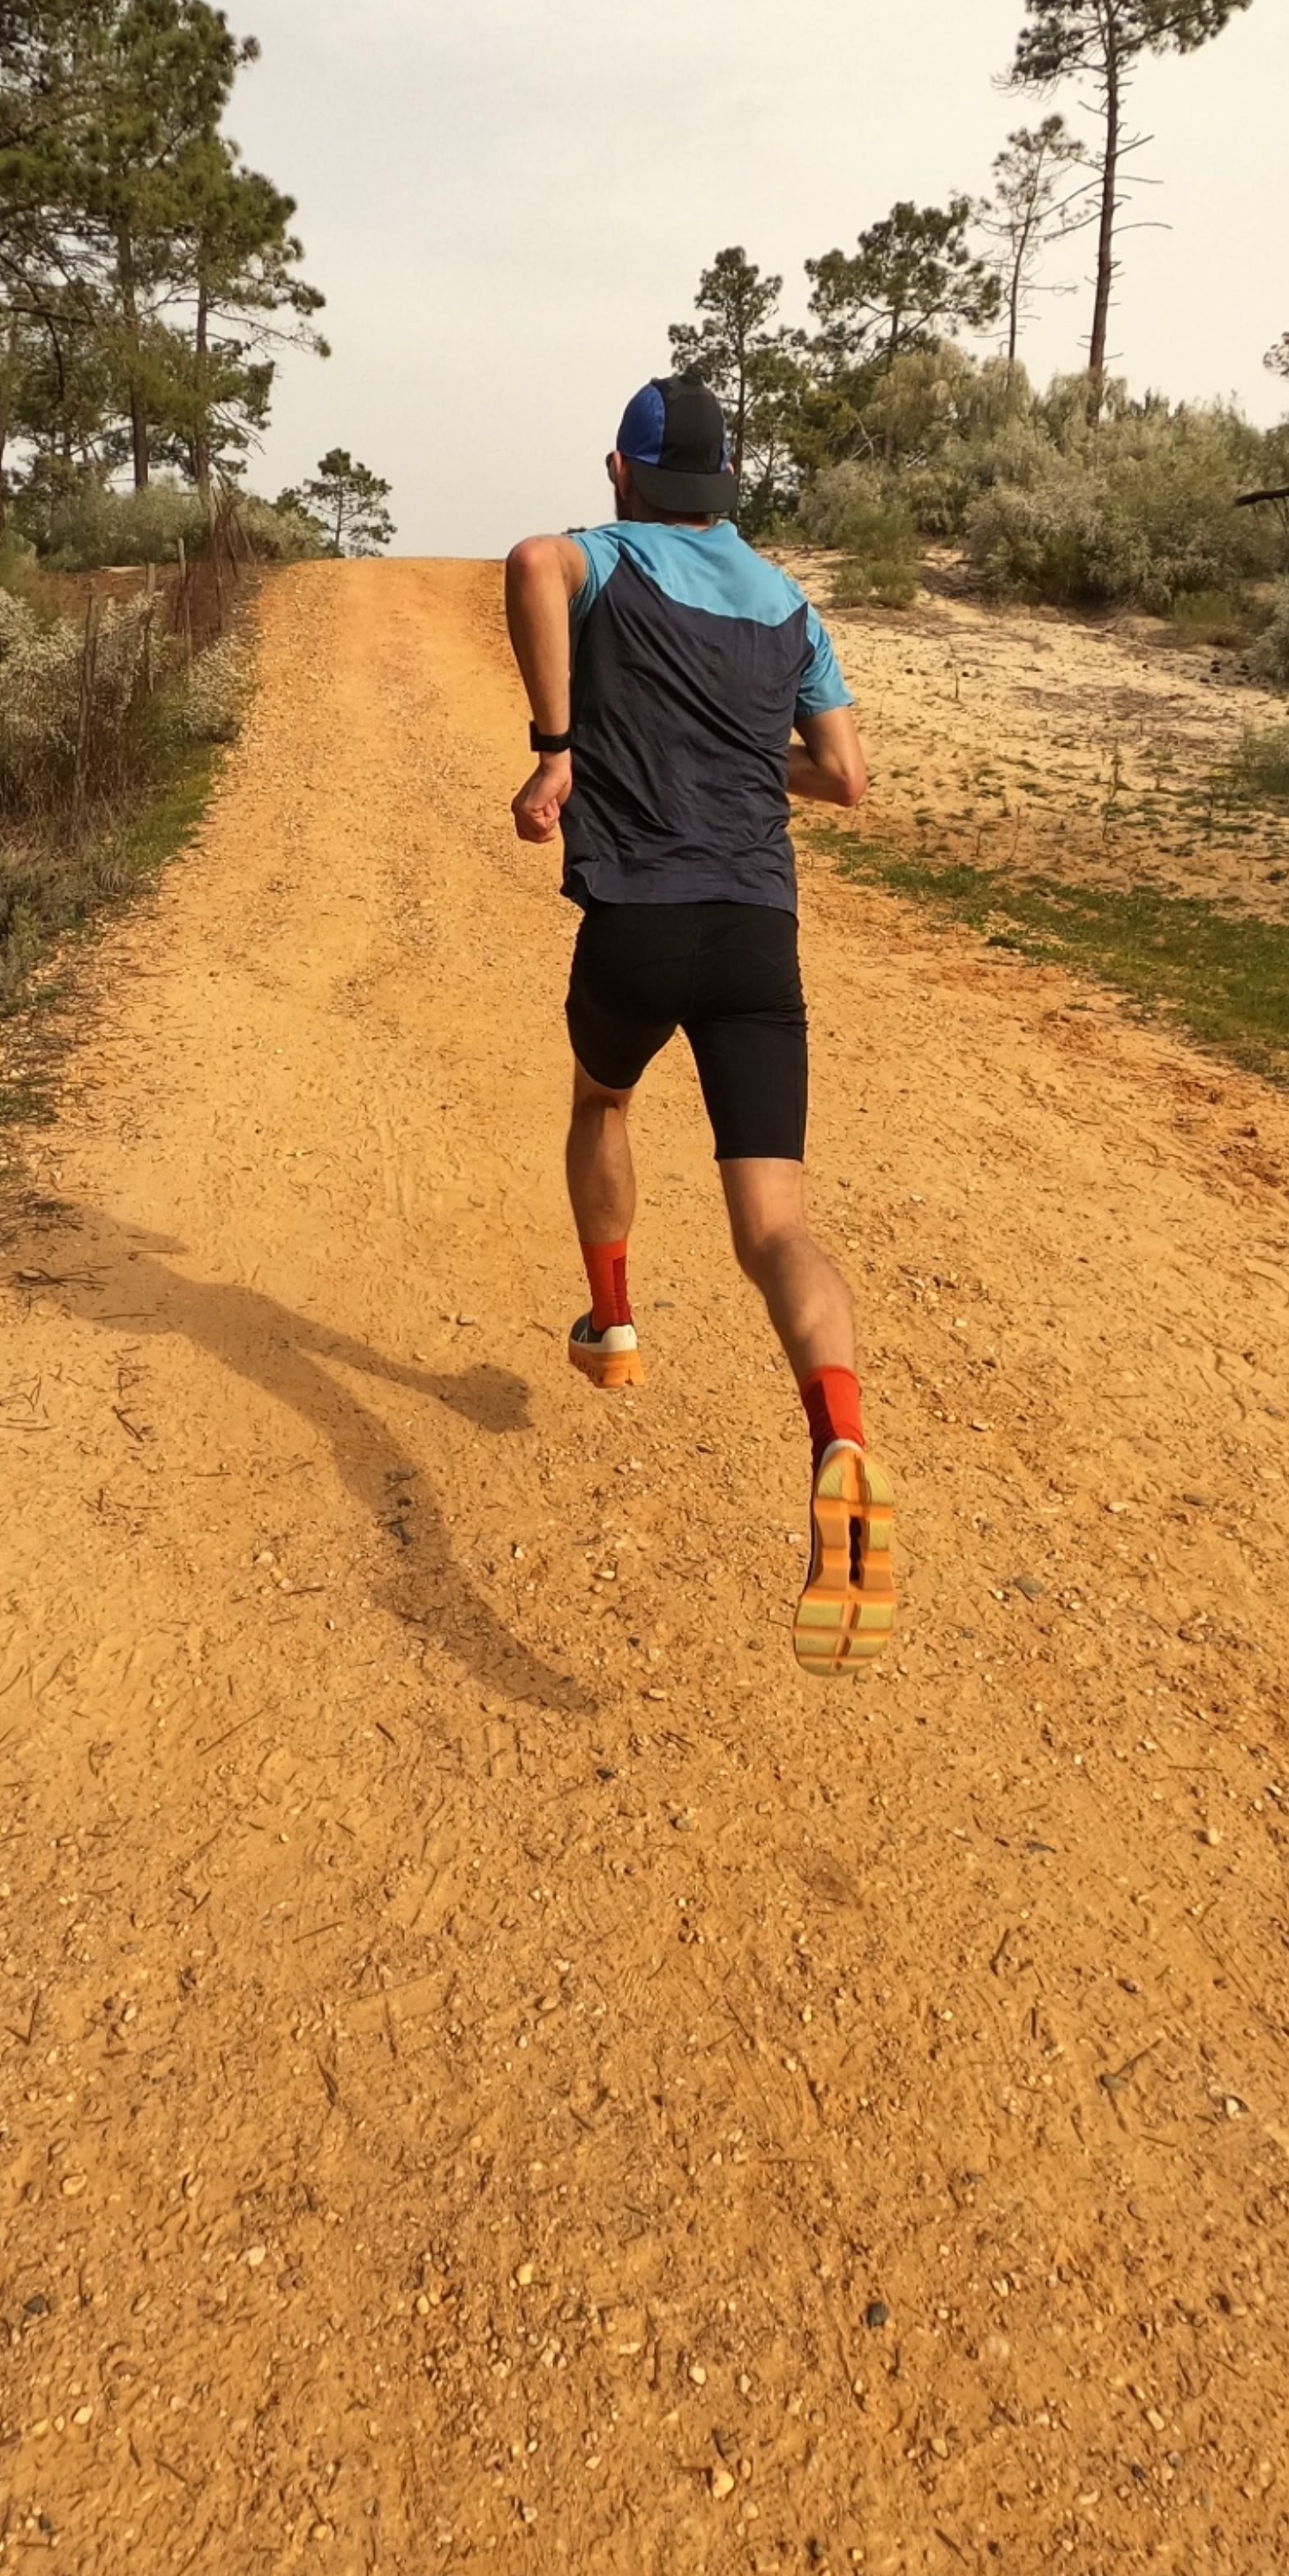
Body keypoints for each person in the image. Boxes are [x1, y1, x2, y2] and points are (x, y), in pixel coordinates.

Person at [503, 374, 896, 1676]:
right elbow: (843, 777)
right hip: (754, 932)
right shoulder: (791, 605)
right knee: (777, 1225)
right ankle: (836, 1429)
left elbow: (528, 563)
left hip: (640, 917)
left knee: (600, 1103)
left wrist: (563, 743)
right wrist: (736, 756)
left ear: (623, 471)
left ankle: (612, 1324)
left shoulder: (606, 557)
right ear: (728, 491)